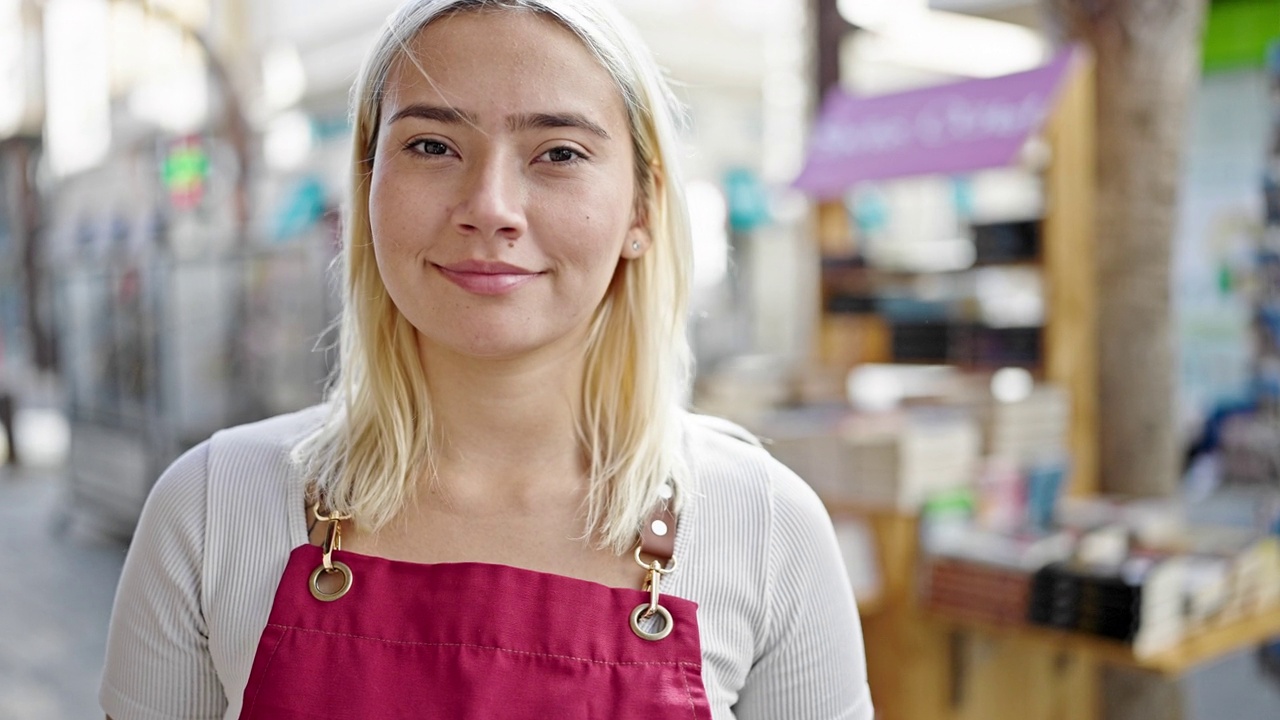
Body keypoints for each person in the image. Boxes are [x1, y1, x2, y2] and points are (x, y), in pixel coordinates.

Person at [100, 1, 874, 717]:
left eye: (559, 152)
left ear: (642, 207)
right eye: (432, 145)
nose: (491, 208)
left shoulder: (766, 528)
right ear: (367, 188)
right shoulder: (211, 509)